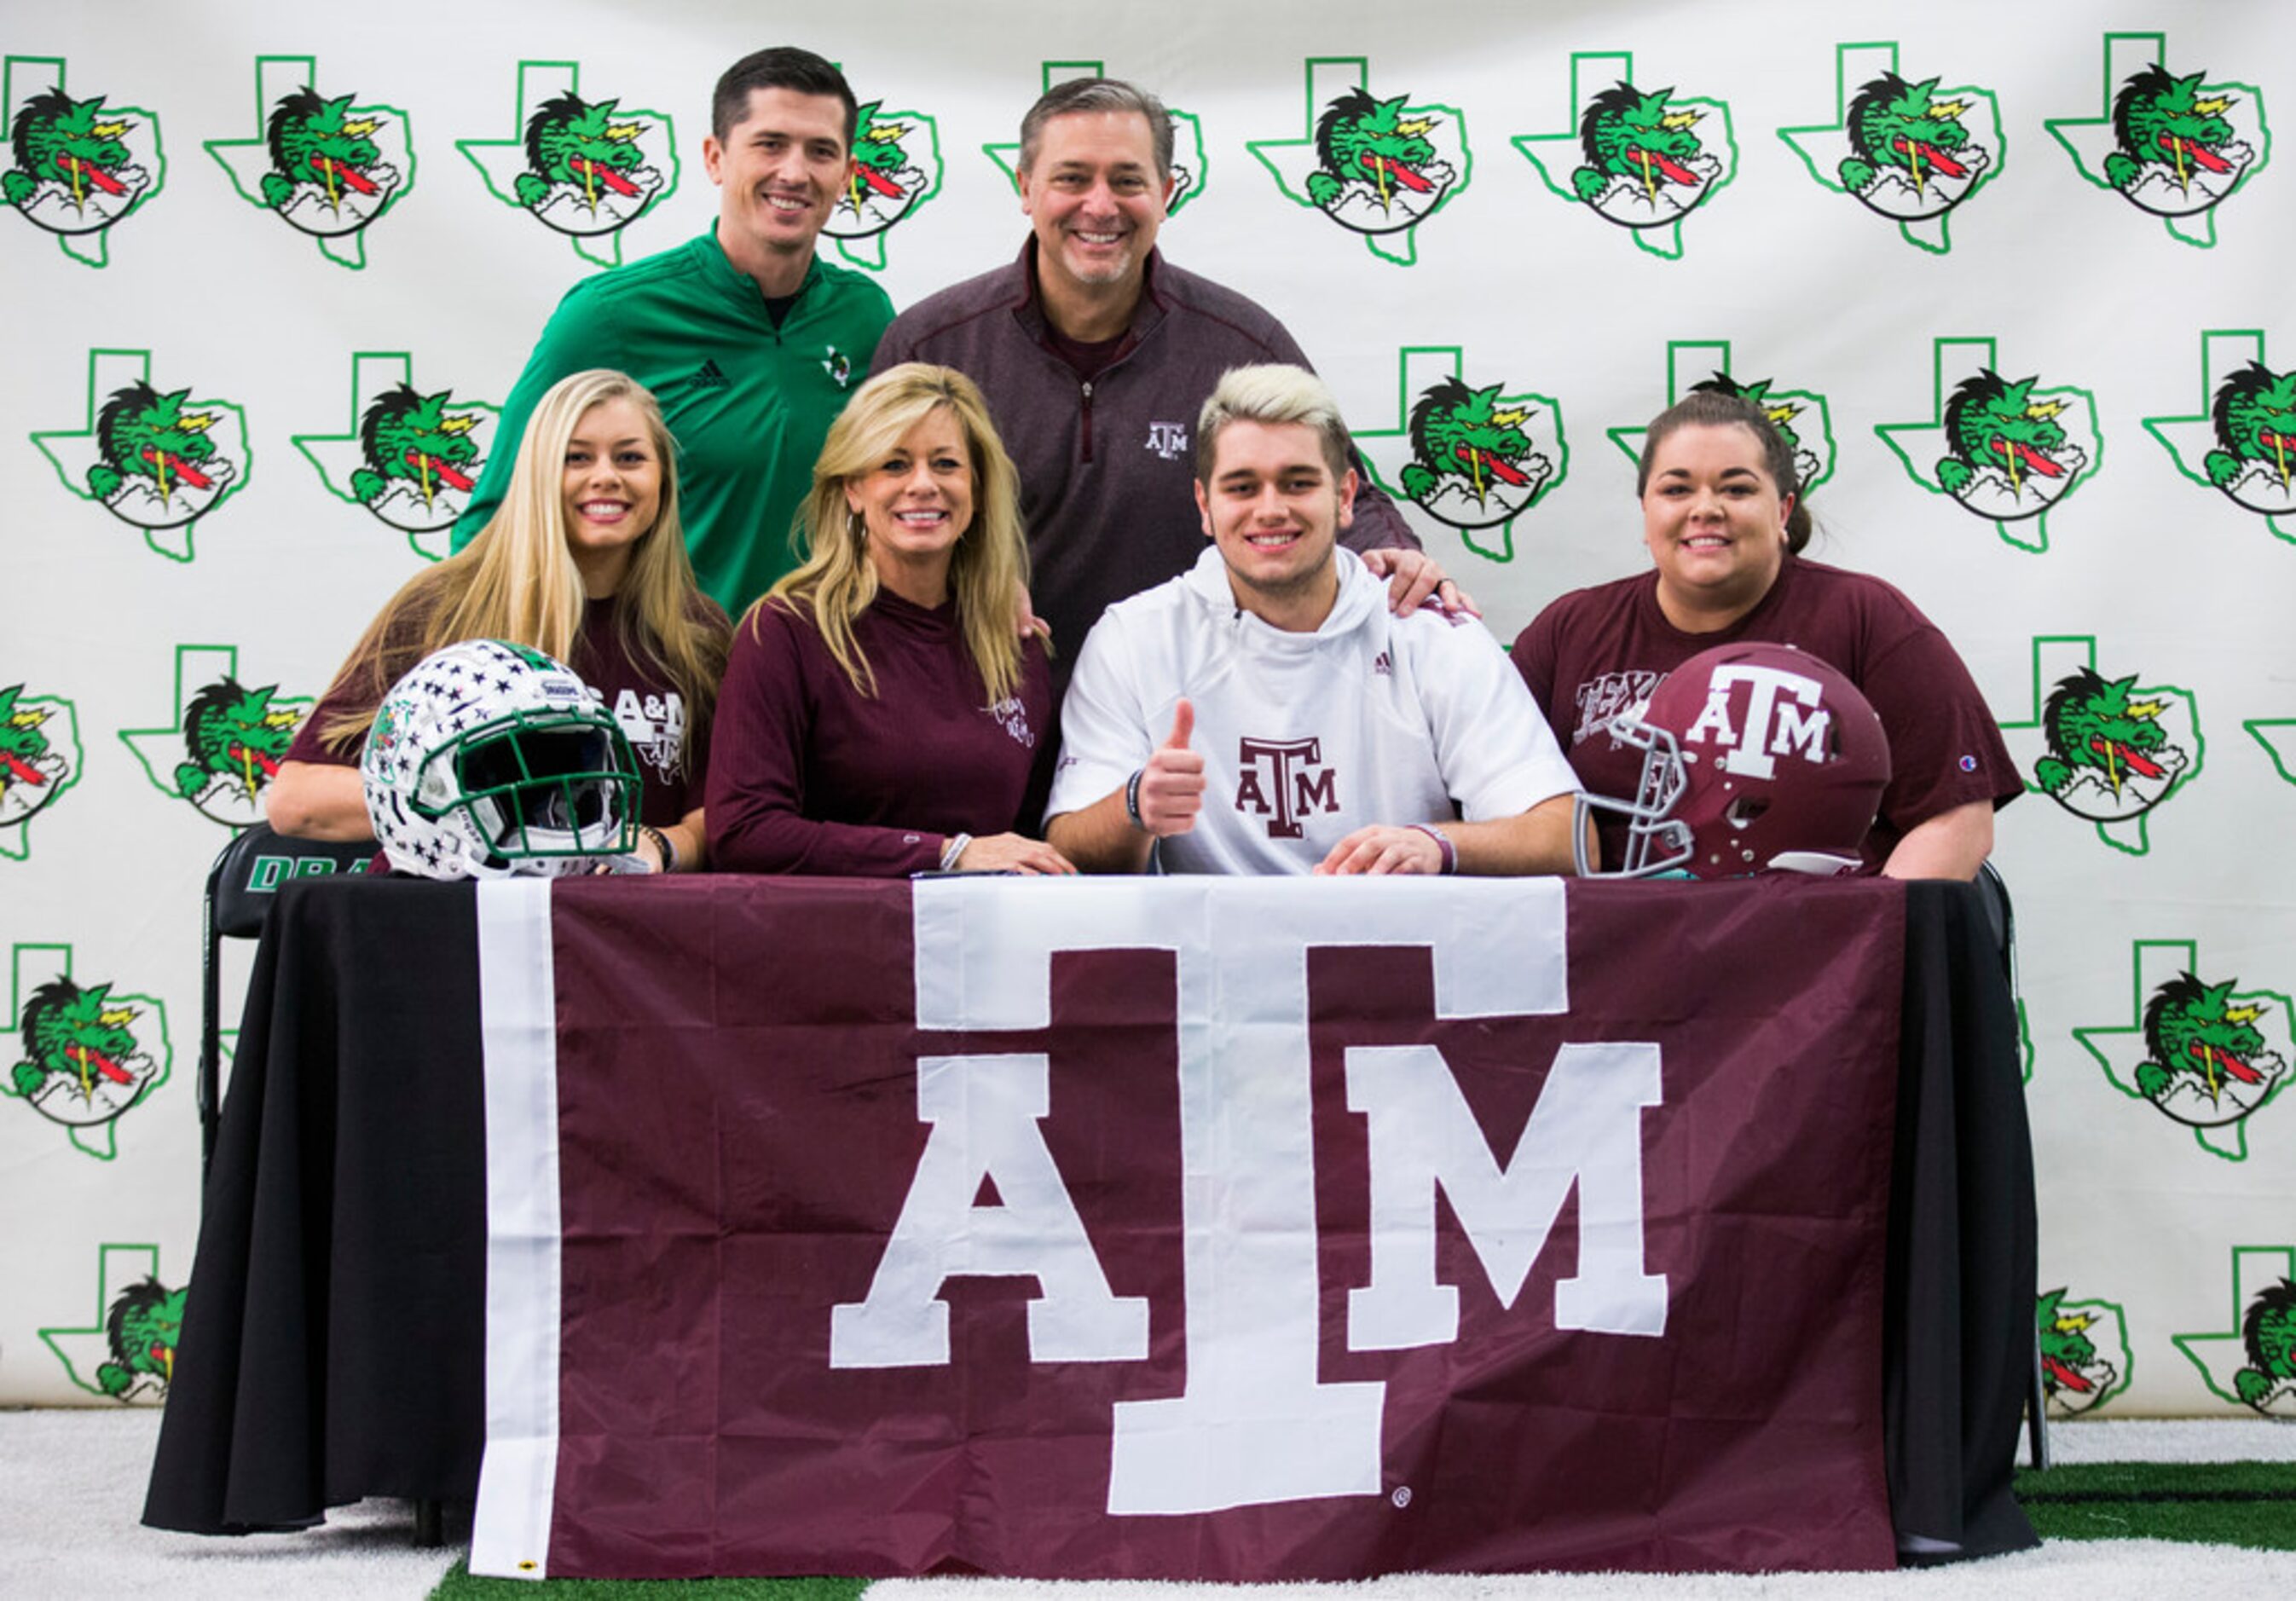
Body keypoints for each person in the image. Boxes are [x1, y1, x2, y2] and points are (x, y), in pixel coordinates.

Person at [869, 77, 1457, 682]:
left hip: (1189, 706)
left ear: (1166, 191)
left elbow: (1344, 494)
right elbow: (860, 517)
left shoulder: (1241, 345)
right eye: (1071, 178)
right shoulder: (931, 346)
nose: (1099, 206)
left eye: (1127, 181)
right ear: (1024, 187)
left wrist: (1394, 554)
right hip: (980, 699)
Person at [1044, 365, 1582, 876]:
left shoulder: (1426, 630)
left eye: (1298, 482)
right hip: (1210, 958)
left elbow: (1566, 840)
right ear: (1205, 505)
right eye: (1242, 487)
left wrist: (1436, 844)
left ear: (1345, 497)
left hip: (1391, 952)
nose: (1271, 508)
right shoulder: (1135, 637)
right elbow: (1069, 847)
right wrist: (1135, 806)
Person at [450, 46, 894, 617]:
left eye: (821, 151)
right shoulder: (608, 316)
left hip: (817, 681)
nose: (794, 172)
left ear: (847, 174)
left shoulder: (866, 316)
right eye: (769, 144)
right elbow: (495, 517)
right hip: (663, 681)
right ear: (715, 158)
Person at [1512, 389, 2019, 880]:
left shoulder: (1866, 619)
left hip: (1811, 947)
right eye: (1676, 489)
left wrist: (1857, 945)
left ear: (1781, 511)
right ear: (1646, 511)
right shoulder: (1570, 630)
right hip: (1612, 946)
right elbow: (1493, 804)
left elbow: (1958, 823)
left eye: (1737, 488)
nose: (1705, 508)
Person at [271, 370, 730, 873]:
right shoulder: (447, 606)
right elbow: (297, 800)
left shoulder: (696, 631)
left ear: (662, 478)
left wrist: (659, 846)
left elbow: (720, 815)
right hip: (453, 930)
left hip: (616, 934)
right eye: (575, 457)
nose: (606, 476)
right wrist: (464, 798)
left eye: (630, 458)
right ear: (535, 473)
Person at [706, 364, 1071, 876]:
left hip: (978, 945)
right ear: (853, 488)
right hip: (833, 943)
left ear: (979, 488)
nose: (923, 485)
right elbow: (743, 832)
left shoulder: (1015, 645)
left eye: (945, 464)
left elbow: (1029, 838)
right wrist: (946, 853)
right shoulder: (786, 631)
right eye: (894, 465)